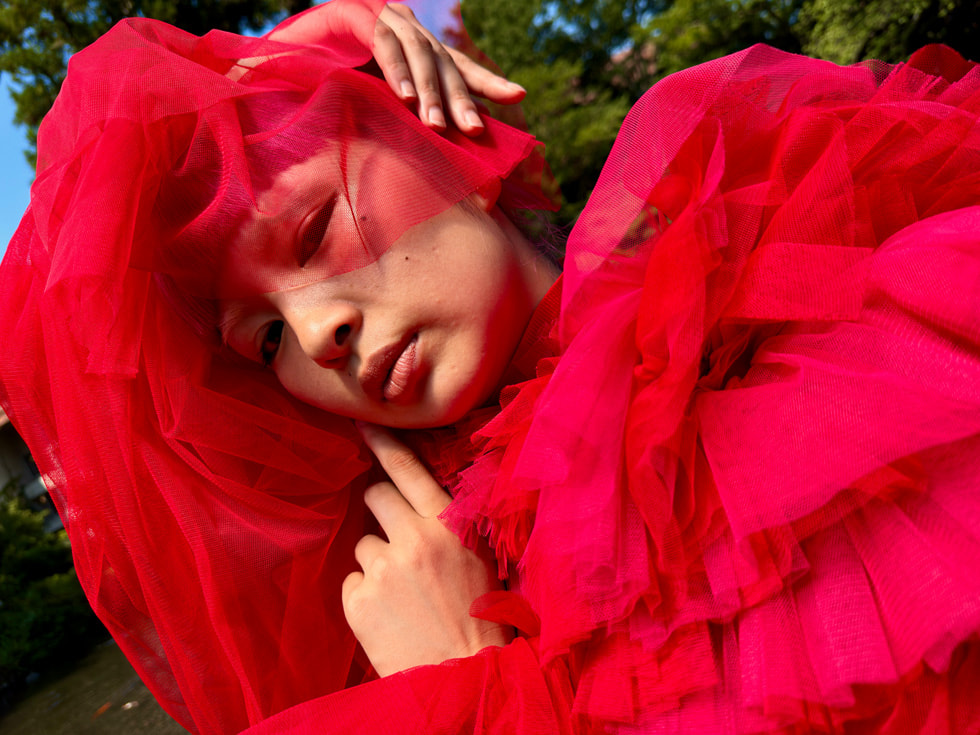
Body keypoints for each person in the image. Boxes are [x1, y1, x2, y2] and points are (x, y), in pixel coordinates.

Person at [2, 1, 980, 732]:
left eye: (309, 231)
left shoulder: (822, 292)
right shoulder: (401, 573)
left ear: (436, 136)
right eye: (262, 341)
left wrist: (477, 693)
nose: (312, 337)